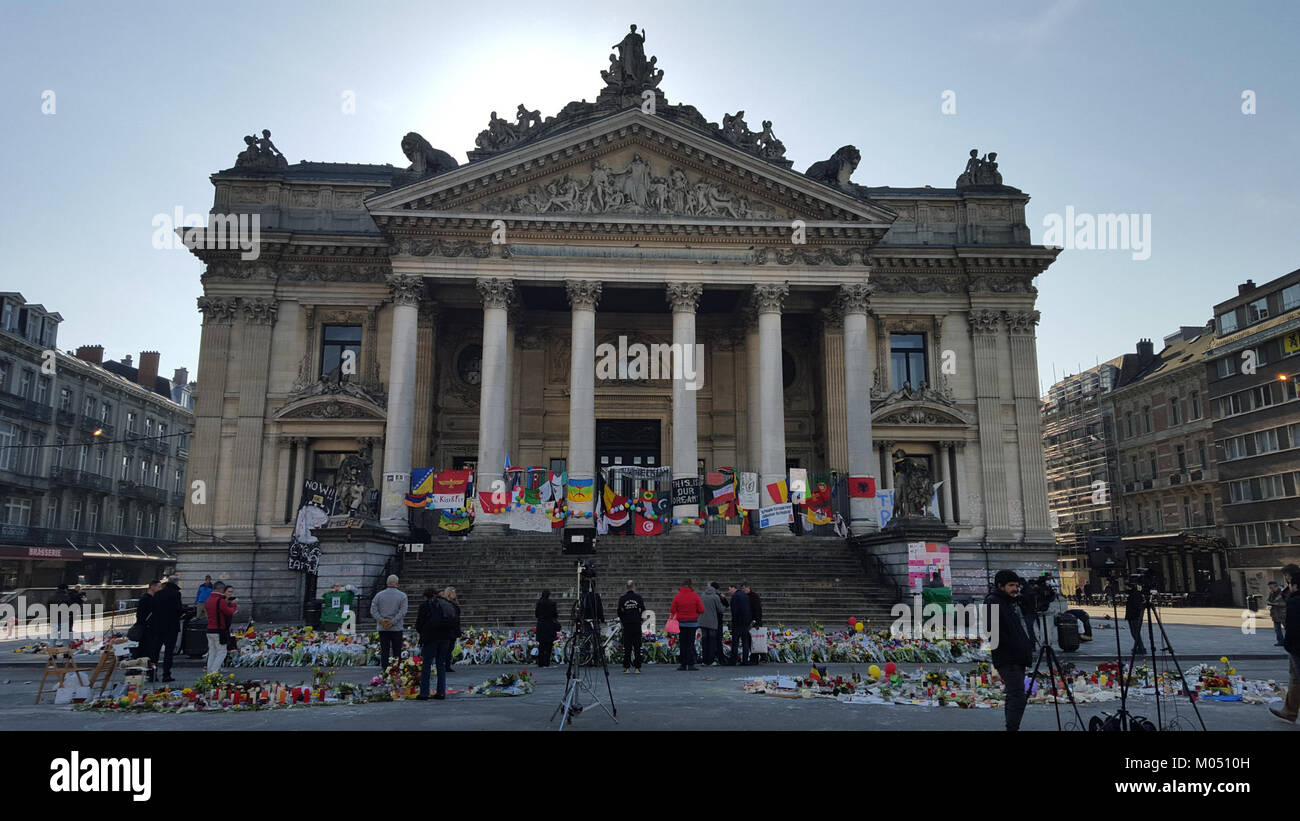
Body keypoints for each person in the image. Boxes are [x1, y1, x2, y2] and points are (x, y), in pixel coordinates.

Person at [985, 570, 1034, 731]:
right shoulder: (993, 602)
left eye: (1016, 585)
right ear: (1000, 586)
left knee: (1014, 695)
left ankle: (1011, 726)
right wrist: (1013, 646)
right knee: (1018, 696)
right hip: (1008, 657)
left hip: (1016, 656)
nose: (1015, 589)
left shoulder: (1008, 602)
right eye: (1011, 585)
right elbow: (992, 630)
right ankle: (1012, 728)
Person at [1270, 565, 1300, 723]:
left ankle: (1290, 711)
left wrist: (1288, 644)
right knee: (1295, 677)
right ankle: (1289, 710)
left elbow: (1293, 625)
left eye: (1287, 576)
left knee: (1297, 677)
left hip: (1296, 645)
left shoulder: (1294, 598)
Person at [425, 587, 461, 700]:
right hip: (445, 635)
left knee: (429, 663)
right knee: (439, 662)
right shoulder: (449, 605)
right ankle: (440, 692)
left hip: (436, 636)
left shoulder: (429, 605)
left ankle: (424, 692)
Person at [370, 574, 408, 672]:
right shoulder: (402, 596)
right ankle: (396, 669)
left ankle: (385, 669)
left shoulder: (379, 595)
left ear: (387, 583)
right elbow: (402, 612)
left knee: (384, 650)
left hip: (383, 627)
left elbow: (373, 610)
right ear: (397, 583)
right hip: (396, 628)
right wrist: (393, 621)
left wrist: (381, 620)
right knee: (397, 651)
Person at [152, 576, 184, 682]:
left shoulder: (158, 594)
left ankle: (152, 673)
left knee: (155, 651)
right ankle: (166, 674)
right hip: (171, 627)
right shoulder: (176, 594)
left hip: (158, 626)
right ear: (176, 583)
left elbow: (153, 609)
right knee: (169, 652)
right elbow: (178, 610)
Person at [669, 580, 704, 671]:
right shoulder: (695, 595)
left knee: (683, 643)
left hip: (681, 623)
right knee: (690, 643)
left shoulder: (678, 596)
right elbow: (701, 609)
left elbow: (672, 610)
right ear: (691, 585)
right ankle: (691, 663)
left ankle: (683, 664)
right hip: (692, 623)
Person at [204, 581, 237, 673]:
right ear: (221, 589)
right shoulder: (220, 601)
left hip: (209, 629)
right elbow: (229, 612)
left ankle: (209, 672)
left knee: (212, 652)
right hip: (219, 630)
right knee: (222, 652)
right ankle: (214, 672)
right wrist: (233, 605)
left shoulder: (208, 600)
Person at [132, 580, 161, 673]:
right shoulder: (147, 599)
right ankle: (143, 671)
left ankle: (143, 670)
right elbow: (141, 615)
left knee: (146, 651)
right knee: (146, 651)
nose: (160, 589)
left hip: (147, 628)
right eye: (158, 587)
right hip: (146, 629)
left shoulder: (149, 598)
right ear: (152, 587)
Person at [617, 580, 646, 673]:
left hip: (627, 624)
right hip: (636, 623)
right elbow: (643, 610)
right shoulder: (638, 597)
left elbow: (619, 611)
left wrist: (623, 619)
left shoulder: (622, 598)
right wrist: (640, 619)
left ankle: (626, 667)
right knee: (637, 646)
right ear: (634, 587)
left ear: (626, 587)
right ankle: (637, 667)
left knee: (627, 646)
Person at [699, 582, 727, 667]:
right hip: (712, 622)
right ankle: (710, 661)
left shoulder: (702, 595)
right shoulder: (715, 597)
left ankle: (704, 661)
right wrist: (724, 606)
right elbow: (720, 609)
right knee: (711, 642)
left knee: (704, 641)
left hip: (702, 621)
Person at [728, 584, 753, 666]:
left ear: (733, 588)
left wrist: (733, 621)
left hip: (738, 622)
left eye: (729, 589)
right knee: (745, 642)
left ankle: (733, 660)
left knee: (735, 642)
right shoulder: (744, 595)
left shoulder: (735, 596)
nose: (729, 591)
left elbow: (734, 611)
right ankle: (745, 660)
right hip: (745, 622)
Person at [535, 590, 559, 667]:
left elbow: (536, 614)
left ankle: (541, 662)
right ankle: (547, 661)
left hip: (541, 625)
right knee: (549, 645)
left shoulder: (539, 603)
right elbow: (555, 615)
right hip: (549, 625)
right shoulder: (552, 603)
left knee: (541, 645)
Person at [1125, 583, 1147, 655]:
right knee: (1134, 633)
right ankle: (1139, 646)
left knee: (1135, 633)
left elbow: (1137, 606)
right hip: (1131, 616)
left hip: (1134, 616)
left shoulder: (1135, 594)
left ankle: (1141, 647)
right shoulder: (1133, 594)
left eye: (1127, 587)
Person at [746, 583, 766, 663]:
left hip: (755, 621)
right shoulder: (749, 596)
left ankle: (755, 658)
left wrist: (757, 622)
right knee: (754, 640)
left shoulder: (754, 596)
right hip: (753, 621)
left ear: (748, 588)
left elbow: (757, 610)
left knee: (755, 640)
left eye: (744, 588)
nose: (743, 590)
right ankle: (758, 657)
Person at [1268, 581, 1287, 646]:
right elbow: (1269, 600)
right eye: (1270, 588)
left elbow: (1286, 603)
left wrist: (1275, 604)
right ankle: (1280, 641)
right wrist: (1268, 602)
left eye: (1272, 587)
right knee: (1277, 629)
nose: (1271, 589)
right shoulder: (1271, 593)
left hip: (1283, 614)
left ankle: (1290, 641)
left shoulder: (1283, 593)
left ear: (1276, 586)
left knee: (1287, 628)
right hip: (1275, 614)